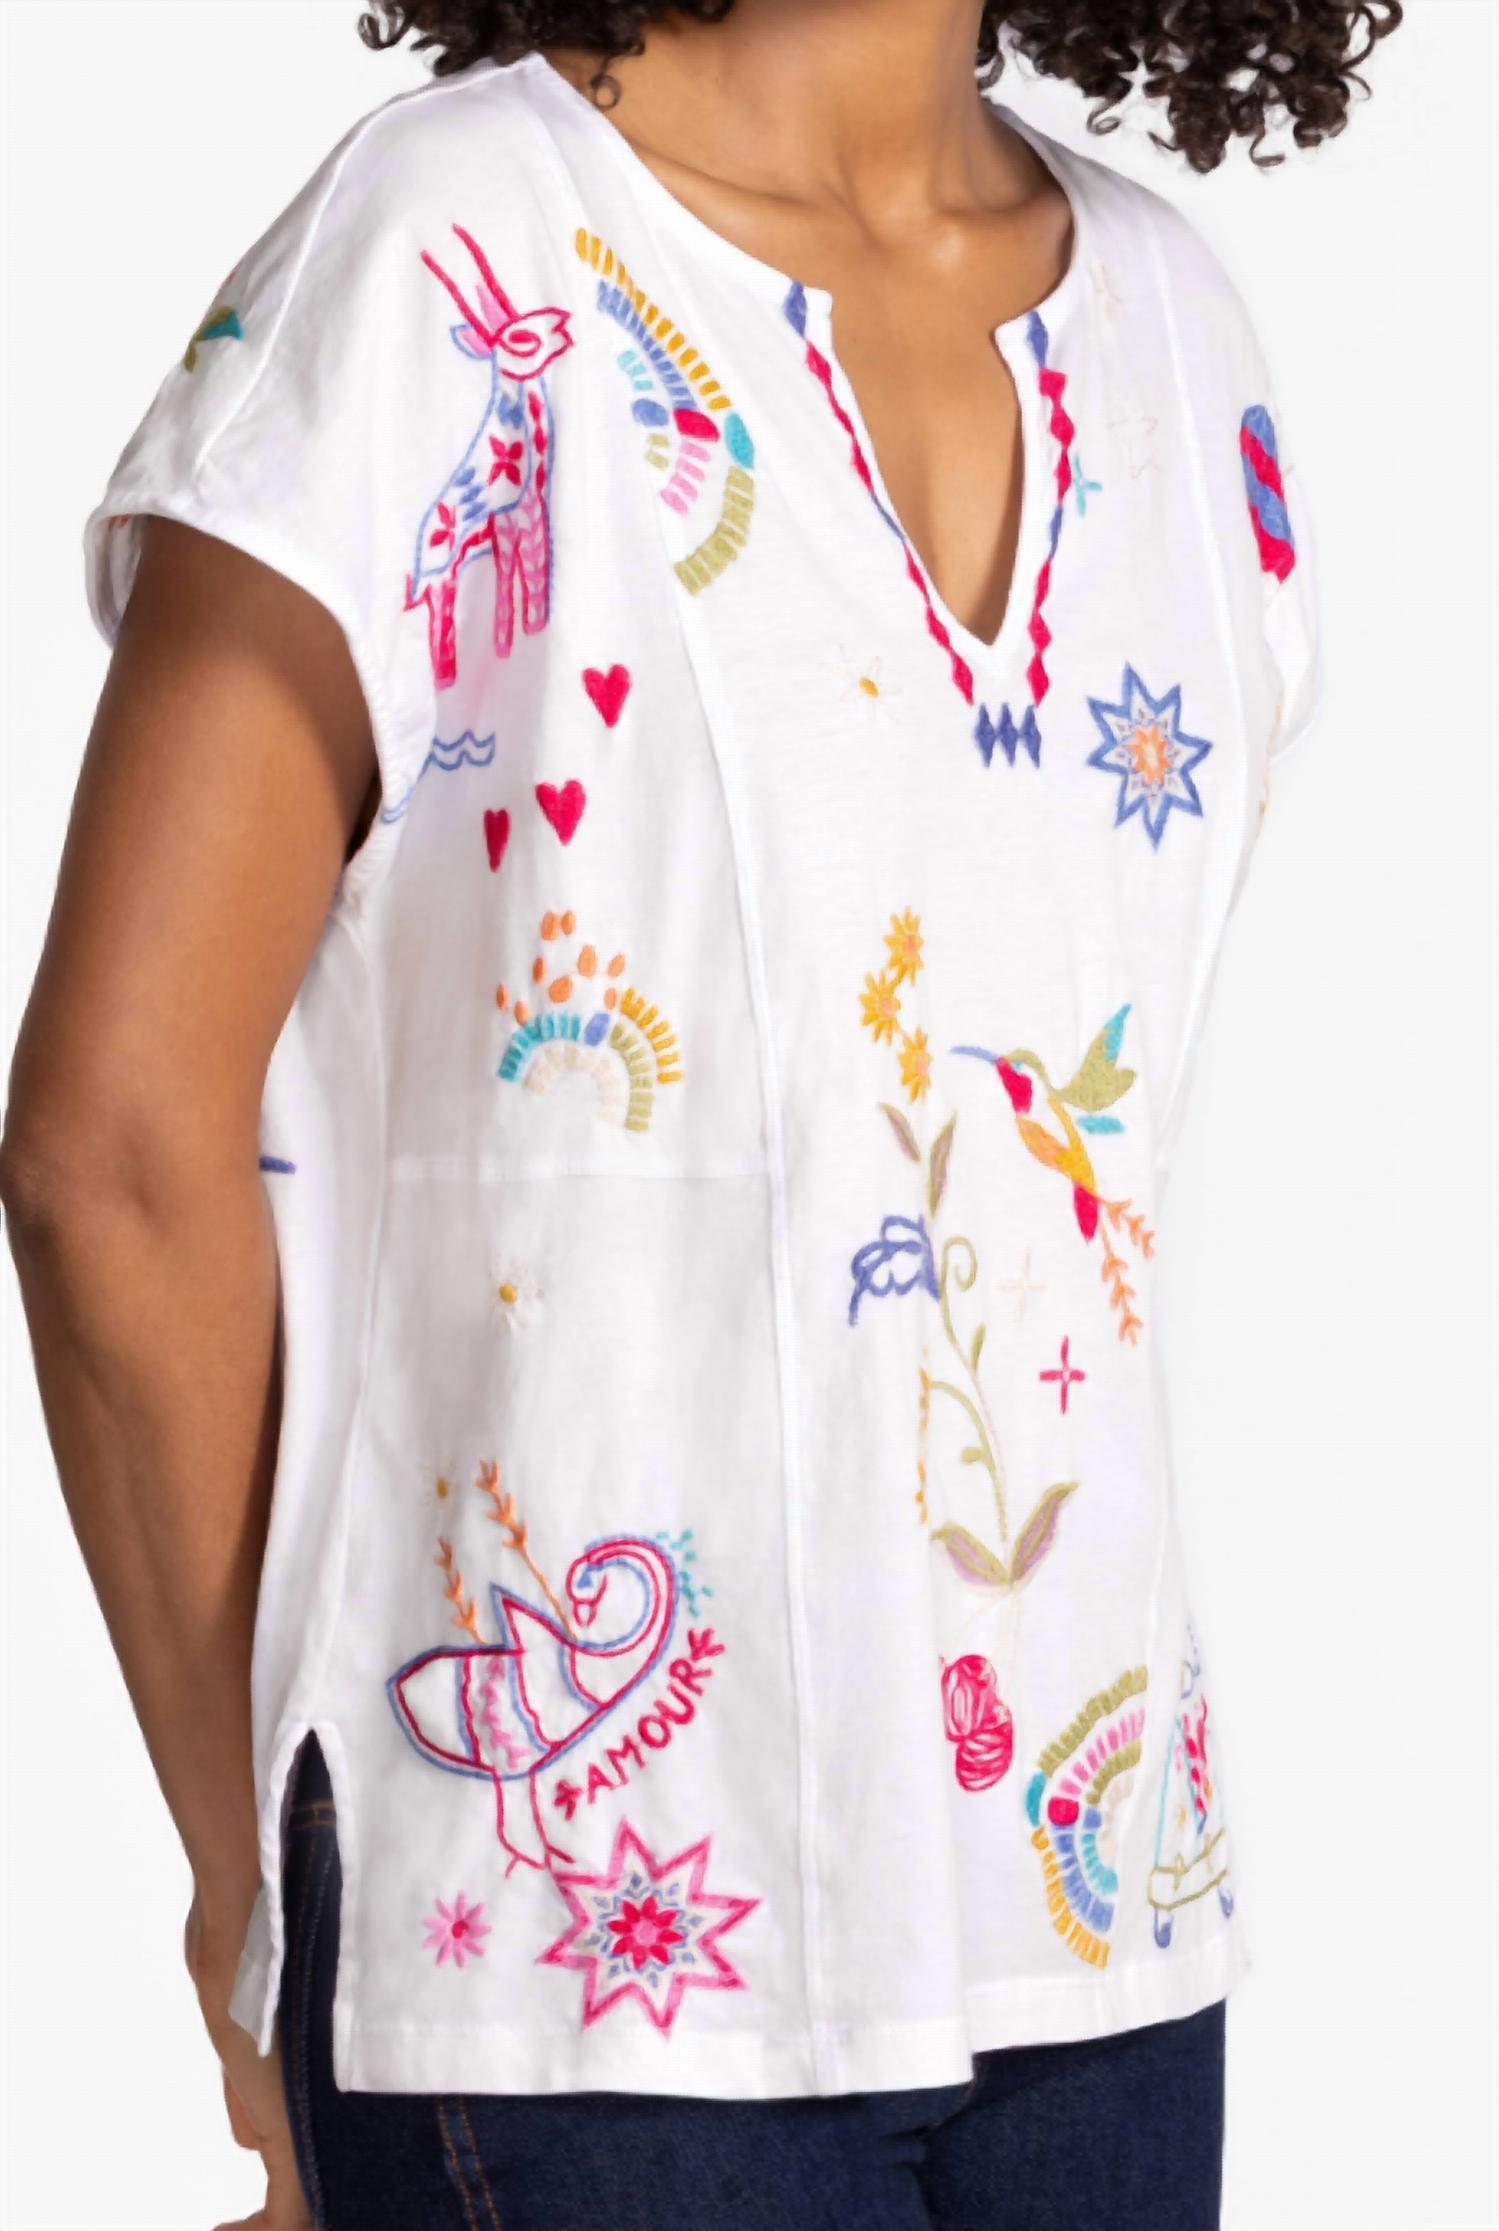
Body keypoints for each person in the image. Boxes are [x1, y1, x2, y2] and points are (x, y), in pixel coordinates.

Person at [1, 2, 1402, 2225]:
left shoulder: (1171, 323)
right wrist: (249, 1893)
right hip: (570, 1973)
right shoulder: (456, 254)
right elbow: (114, 1144)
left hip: (1104, 1925)